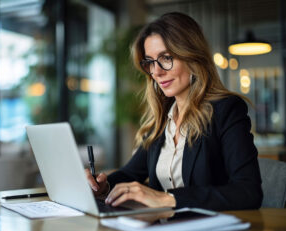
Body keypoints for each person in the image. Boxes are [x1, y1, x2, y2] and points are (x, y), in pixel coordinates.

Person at [85, 12, 263, 211]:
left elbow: (248, 192)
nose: (156, 72)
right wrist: (103, 185)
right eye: (150, 62)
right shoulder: (162, 121)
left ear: (192, 57)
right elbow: (129, 173)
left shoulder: (226, 110)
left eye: (166, 58)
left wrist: (167, 199)